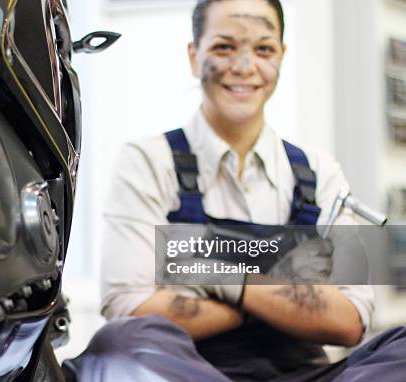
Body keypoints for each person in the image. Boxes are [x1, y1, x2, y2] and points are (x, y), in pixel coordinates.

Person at [64, 0, 406, 381]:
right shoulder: (148, 162)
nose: (244, 66)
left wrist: (224, 278)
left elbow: (351, 319)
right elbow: (129, 310)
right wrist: (289, 301)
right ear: (194, 56)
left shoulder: (320, 172)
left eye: (263, 49)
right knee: (116, 347)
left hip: (306, 376)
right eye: (224, 47)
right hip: (185, 371)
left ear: (281, 56)